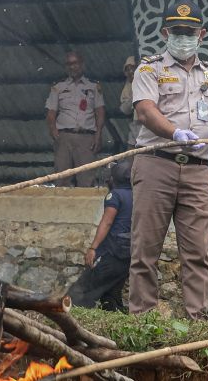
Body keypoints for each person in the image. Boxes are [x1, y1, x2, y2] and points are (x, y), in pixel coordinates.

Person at [129, 0, 208, 320]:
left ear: (201, 34)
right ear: (166, 32)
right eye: (177, 31)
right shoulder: (150, 68)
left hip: (198, 172)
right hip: (156, 164)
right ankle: (143, 319)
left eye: (189, 31)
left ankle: (197, 320)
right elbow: (145, 110)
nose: (183, 37)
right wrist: (175, 132)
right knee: (145, 249)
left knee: (197, 252)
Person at [67, 159, 133, 311]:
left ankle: (66, 320)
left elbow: (107, 222)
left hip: (112, 251)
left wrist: (93, 248)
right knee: (111, 295)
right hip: (128, 254)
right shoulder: (138, 195)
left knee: (79, 292)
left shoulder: (115, 195)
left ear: (115, 177)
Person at [45, 51, 105, 187]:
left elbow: (100, 112)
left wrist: (98, 135)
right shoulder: (58, 87)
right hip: (64, 137)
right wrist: (53, 131)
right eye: (69, 64)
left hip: (86, 138)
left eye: (75, 63)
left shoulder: (93, 87)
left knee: (86, 179)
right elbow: (51, 113)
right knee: (62, 178)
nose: (72, 67)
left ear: (82, 64)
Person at [119, 55, 141, 148]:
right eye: (128, 69)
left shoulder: (148, 82)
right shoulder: (128, 86)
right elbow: (124, 109)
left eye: (133, 68)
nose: (130, 71)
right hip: (135, 129)